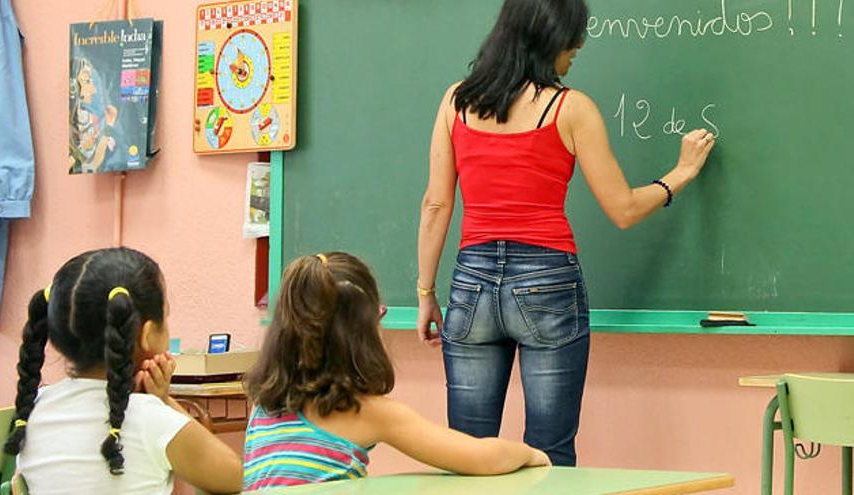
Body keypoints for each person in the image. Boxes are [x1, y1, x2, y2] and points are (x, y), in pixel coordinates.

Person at [416, 0, 716, 466]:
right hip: (547, 280)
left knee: (465, 454)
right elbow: (623, 209)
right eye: (571, 40)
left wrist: (424, 292)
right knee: (550, 454)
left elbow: (436, 204)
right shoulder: (570, 108)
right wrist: (680, 173)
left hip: (470, 282)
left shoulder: (456, 101)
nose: (577, 49)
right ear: (547, 40)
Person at [243, 252, 550, 490]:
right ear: (359, 332)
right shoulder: (365, 410)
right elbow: (482, 457)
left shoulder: (265, 405)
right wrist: (531, 455)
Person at [4, 247, 242, 494]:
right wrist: (164, 400)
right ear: (147, 335)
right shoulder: (150, 417)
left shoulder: (31, 410)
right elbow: (236, 478)